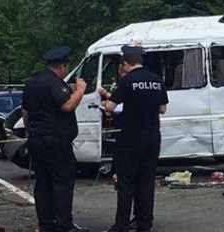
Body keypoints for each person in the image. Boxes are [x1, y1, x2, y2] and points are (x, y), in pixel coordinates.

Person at [22, 46, 89, 232]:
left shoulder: (32, 82)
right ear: (62, 66)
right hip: (55, 141)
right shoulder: (54, 83)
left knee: (43, 183)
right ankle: (64, 225)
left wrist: (31, 131)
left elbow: (25, 111)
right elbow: (67, 105)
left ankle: (46, 224)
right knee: (63, 182)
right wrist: (80, 90)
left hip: (37, 139)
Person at [104, 45, 169, 232]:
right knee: (146, 182)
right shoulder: (157, 80)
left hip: (131, 138)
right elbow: (163, 109)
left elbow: (110, 106)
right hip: (152, 137)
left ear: (126, 64)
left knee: (126, 183)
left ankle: (122, 225)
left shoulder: (127, 81)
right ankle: (144, 222)